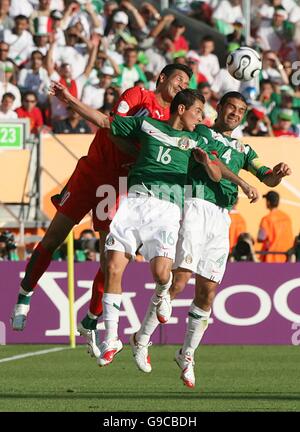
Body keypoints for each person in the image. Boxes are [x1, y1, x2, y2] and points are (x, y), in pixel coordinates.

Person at [10, 64, 193, 357]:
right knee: (54, 237)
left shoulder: (173, 121)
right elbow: (111, 128)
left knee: (113, 259)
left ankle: (91, 319)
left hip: (118, 185)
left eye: (187, 82)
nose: (182, 84)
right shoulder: (138, 95)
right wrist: (147, 154)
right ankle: (24, 294)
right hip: (92, 172)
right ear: (162, 78)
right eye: (179, 78)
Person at [130, 92, 292, 388]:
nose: (235, 113)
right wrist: (242, 182)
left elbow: (265, 176)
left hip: (221, 216)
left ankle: (186, 354)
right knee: (179, 282)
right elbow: (215, 168)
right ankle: (142, 339)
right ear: (220, 108)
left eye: (241, 110)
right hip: (195, 205)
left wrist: (277, 174)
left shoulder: (244, 148)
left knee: (207, 292)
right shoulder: (202, 133)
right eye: (231, 106)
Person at [97, 89, 223, 367]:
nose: (201, 117)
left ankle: (161, 294)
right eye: (198, 111)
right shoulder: (148, 125)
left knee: (161, 274)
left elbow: (217, 166)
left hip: (167, 207)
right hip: (135, 200)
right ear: (181, 109)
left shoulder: (200, 136)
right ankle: (111, 339)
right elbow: (106, 123)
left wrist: (208, 162)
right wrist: (70, 102)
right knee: (113, 267)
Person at [257, 190, 294, 263]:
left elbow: (261, 238)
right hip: (285, 256)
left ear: (268, 202)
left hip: (271, 257)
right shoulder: (287, 217)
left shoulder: (267, 219)